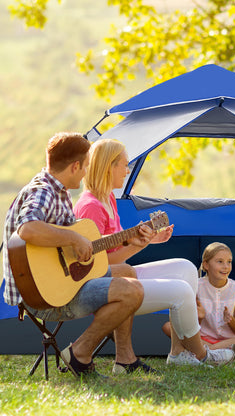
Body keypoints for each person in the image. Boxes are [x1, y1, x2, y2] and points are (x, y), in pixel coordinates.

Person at [73, 138, 234, 367]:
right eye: (124, 165)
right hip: (103, 287)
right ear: (109, 166)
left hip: (119, 275)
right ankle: (203, 354)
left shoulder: (107, 198)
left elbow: (117, 249)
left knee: (186, 268)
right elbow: (97, 264)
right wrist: (136, 246)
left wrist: (148, 240)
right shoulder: (90, 206)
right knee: (181, 292)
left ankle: (178, 354)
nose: (127, 171)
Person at [2, 132, 146, 378]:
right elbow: (28, 228)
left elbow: (81, 247)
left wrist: (127, 239)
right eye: (85, 168)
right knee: (132, 291)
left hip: (61, 282)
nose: (85, 174)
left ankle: (125, 359)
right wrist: (73, 238)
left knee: (127, 272)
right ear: (75, 166)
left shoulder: (59, 192)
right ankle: (79, 353)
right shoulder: (43, 191)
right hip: (43, 296)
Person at [162, 242, 235, 353]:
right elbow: (190, 327)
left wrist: (230, 321)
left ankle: (210, 350)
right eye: (220, 261)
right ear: (206, 265)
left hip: (230, 339)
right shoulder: (195, 286)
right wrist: (199, 318)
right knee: (168, 326)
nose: (226, 266)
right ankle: (225, 350)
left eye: (229, 262)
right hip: (203, 338)